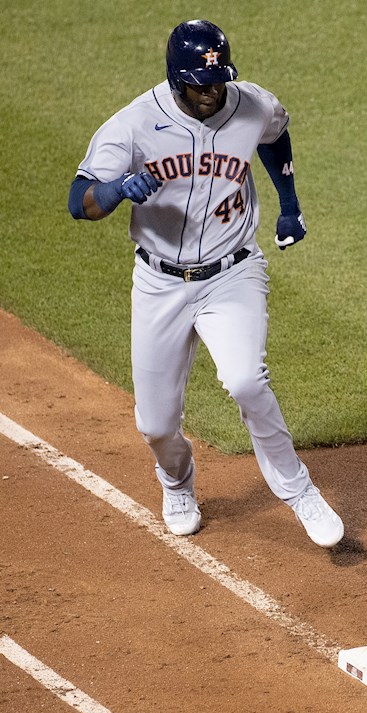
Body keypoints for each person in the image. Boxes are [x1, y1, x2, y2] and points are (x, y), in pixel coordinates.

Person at [67, 19, 343, 548]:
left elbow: (275, 135)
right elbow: (79, 204)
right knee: (155, 424)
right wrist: (120, 188)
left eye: (216, 81)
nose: (211, 92)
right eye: (199, 83)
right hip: (159, 283)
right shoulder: (132, 125)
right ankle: (176, 481)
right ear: (176, 79)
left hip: (233, 272)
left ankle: (299, 490)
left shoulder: (251, 103)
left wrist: (290, 207)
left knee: (245, 379)